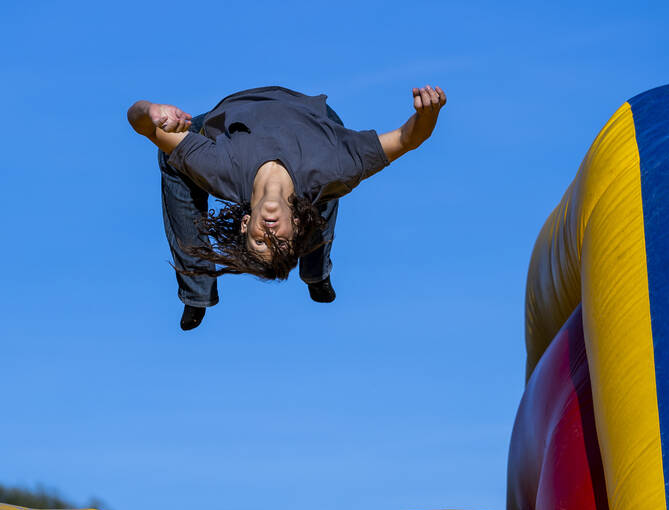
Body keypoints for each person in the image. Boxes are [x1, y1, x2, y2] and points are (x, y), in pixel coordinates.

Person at [127, 85, 446, 330]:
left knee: (169, 157)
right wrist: (427, 116)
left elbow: (139, 122)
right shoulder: (334, 166)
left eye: (259, 241)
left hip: (228, 118)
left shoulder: (217, 167)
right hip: (317, 121)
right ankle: (316, 271)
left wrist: (150, 112)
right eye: (279, 240)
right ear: (295, 226)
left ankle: (196, 291)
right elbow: (407, 139)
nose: (268, 233)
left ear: (245, 224)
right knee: (330, 183)